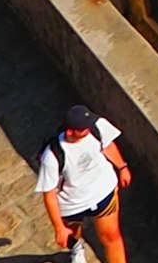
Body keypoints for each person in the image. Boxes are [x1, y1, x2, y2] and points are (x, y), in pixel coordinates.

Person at [37, 107, 129, 258]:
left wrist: (122, 167)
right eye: (83, 128)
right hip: (71, 205)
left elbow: (107, 145)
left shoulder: (96, 126)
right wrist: (59, 228)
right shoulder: (52, 156)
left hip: (103, 194)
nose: (88, 129)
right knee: (72, 236)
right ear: (70, 132)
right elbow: (49, 195)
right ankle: (77, 249)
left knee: (112, 237)